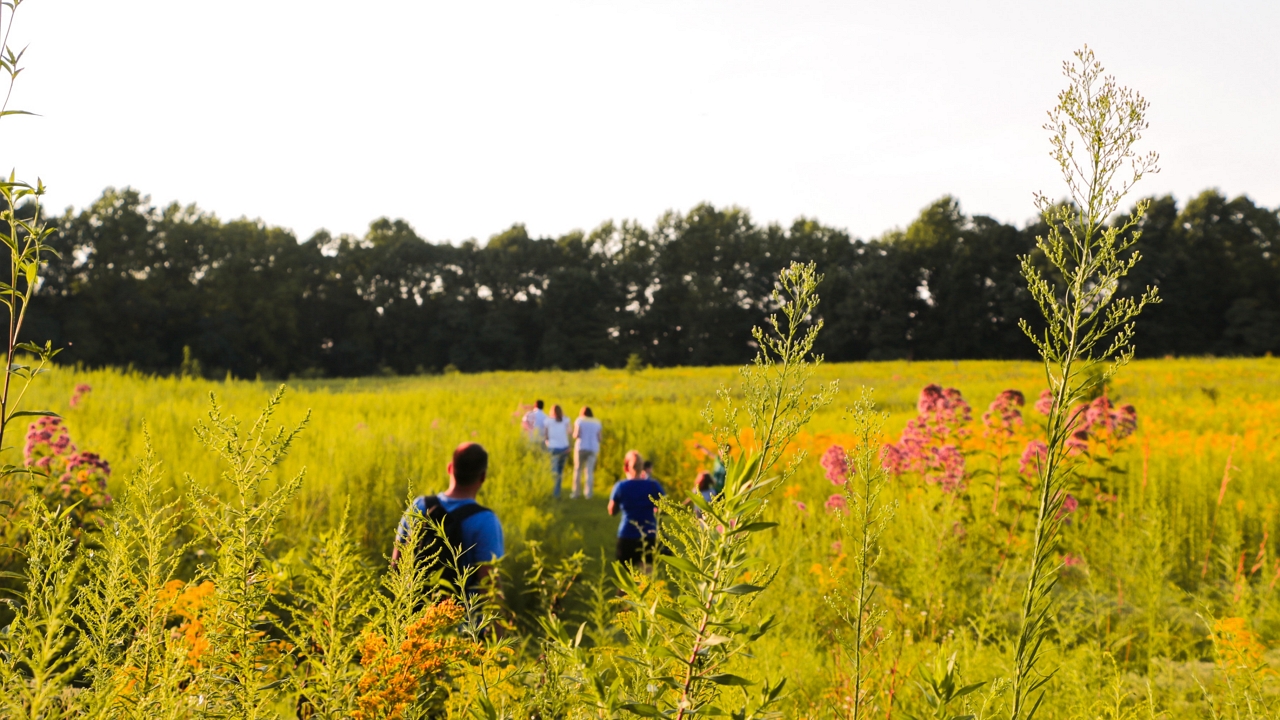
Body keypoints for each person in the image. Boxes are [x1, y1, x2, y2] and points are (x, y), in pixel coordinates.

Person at [394, 442, 504, 590]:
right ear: (483, 476)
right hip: (460, 611)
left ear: (450, 468)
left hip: (416, 609)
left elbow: (396, 564)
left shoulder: (419, 506)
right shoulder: (485, 521)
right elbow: (489, 585)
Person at [609, 450, 665, 567]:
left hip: (627, 534)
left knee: (626, 579)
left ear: (626, 467)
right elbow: (664, 508)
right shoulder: (653, 485)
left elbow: (612, 511)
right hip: (649, 534)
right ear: (642, 467)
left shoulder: (621, 486)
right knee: (647, 578)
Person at [571, 406, 602, 498]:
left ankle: (576, 493)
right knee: (589, 471)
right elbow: (599, 438)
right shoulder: (597, 422)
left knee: (578, 470)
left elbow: (576, 434)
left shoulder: (580, 420)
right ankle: (588, 493)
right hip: (593, 448)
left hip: (581, 447)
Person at [545, 404, 572, 499]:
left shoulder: (548, 421)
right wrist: (570, 446)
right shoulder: (566, 420)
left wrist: (547, 443)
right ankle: (557, 492)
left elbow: (546, 435)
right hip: (564, 448)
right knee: (560, 472)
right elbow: (570, 432)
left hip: (553, 448)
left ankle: (555, 493)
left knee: (554, 472)